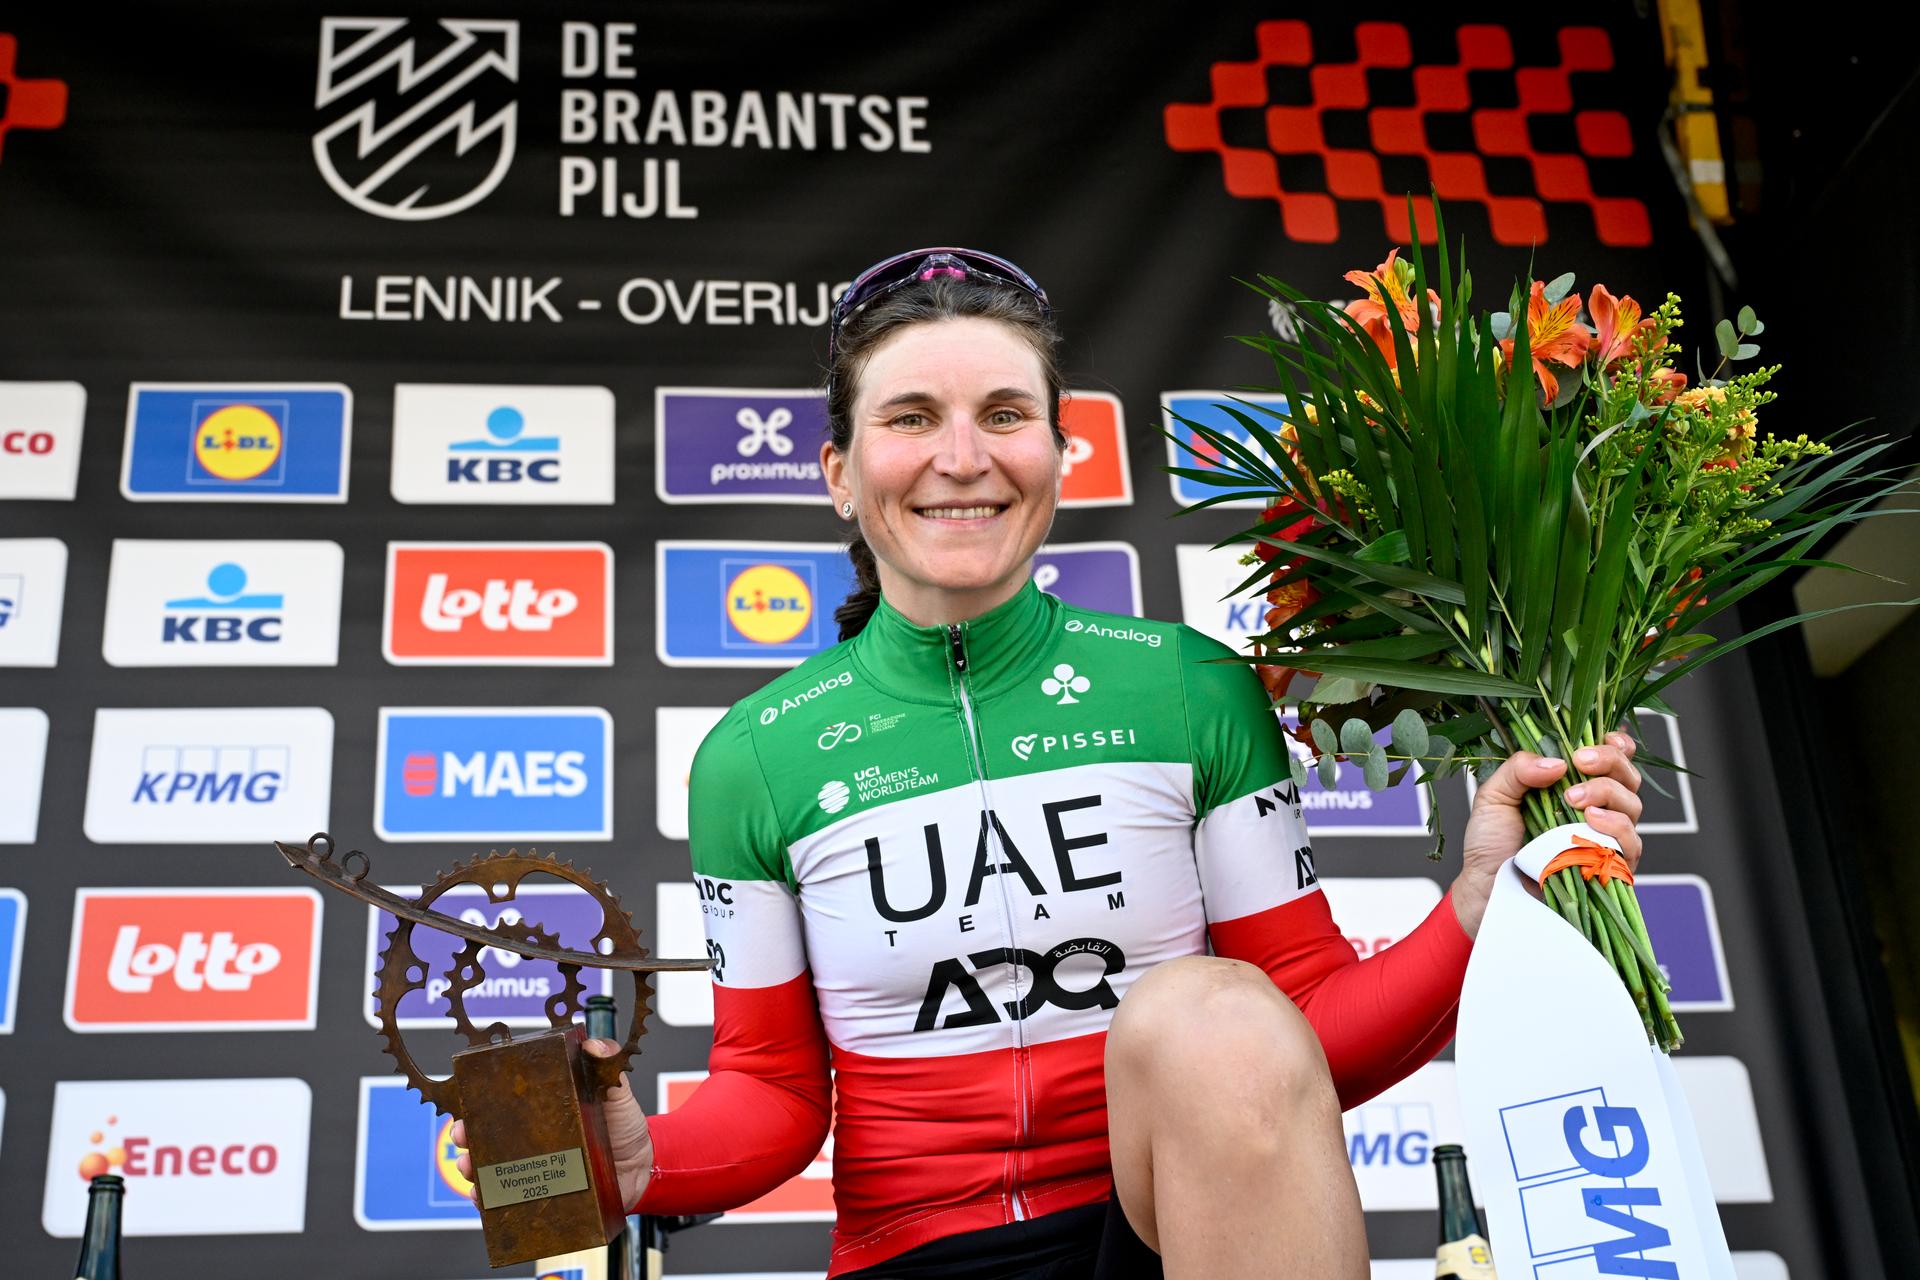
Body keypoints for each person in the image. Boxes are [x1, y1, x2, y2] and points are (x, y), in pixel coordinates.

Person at [455, 248, 1646, 1279]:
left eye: (1005, 414)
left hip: (1172, 1231)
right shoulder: (752, 757)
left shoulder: (1191, 687)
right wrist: (627, 1161)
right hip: (914, 1250)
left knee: (1215, 1013)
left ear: (1063, 453)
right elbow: (769, 1089)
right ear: (837, 472)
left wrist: (1484, 900)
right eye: (911, 417)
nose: (961, 457)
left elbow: (1305, 1041)